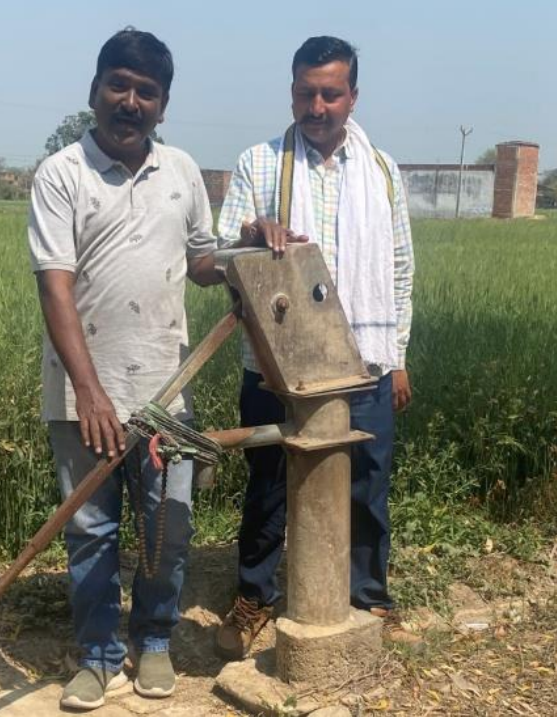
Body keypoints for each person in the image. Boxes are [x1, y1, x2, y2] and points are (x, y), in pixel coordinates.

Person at [28, 28, 230, 710]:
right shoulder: (62, 174)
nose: (130, 100)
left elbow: (201, 261)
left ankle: (153, 640)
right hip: (83, 395)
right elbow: (55, 285)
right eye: (119, 83)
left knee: (167, 529)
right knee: (90, 532)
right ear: (95, 89)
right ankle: (95, 653)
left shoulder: (181, 172)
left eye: (146, 91)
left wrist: (239, 253)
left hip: (167, 391)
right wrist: (90, 391)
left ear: (163, 105)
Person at [215, 35, 416, 661]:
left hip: (365, 360)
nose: (318, 105)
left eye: (331, 93)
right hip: (277, 367)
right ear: (292, 92)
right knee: (270, 485)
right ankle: (255, 599)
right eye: (307, 92)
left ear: (353, 96)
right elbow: (221, 258)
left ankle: (370, 599)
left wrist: (400, 354)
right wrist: (253, 232)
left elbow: (401, 267)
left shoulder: (382, 170)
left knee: (367, 485)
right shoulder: (260, 164)